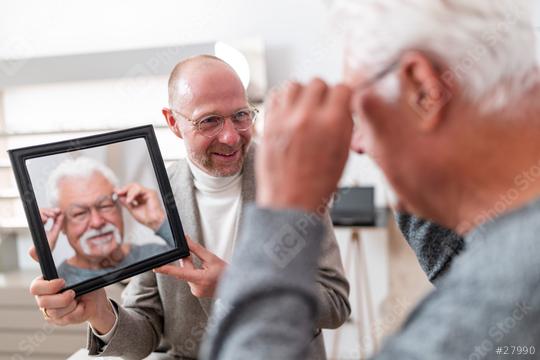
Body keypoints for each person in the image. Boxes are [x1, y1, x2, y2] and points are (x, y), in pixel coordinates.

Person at [201, 1, 540, 359]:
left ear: (423, 88)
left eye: (357, 110)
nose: (357, 144)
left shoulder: (501, 297)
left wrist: (283, 210)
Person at [29, 55, 350, 359]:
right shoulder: (154, 201)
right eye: (209, 121)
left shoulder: (292, 180)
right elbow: (144, 332)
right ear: (172, 121)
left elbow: (335, 304)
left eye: (241, 115)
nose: (230, 136)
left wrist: (236, 283)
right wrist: (99, 311)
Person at [33, 157, 173, 285]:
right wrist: (44, 258)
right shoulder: (59, 283)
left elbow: (194, 265)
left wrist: (158, 221)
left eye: (105, 206)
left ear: (120, 206)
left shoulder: (155, 254)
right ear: (61, 225)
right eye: (79, 213)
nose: (97, 222)